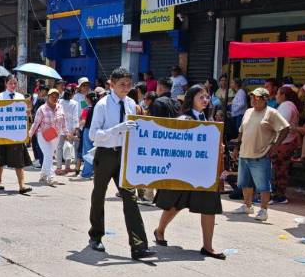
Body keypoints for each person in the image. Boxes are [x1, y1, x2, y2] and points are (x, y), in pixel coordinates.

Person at [88, 67, 153, 261]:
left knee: (130, 198)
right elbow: (93, 135)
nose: (126, 88)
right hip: (106, 154)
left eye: (128, 84)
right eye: (121, 84)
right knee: (99, 195)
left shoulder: (132, 104)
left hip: (124, 155)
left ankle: (139, 245)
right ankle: (96, 235)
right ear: (112, 84)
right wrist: (116, 129)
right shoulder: (102, 104)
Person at [153, 86, 225, 259]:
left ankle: (208, 246)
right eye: (201, 97)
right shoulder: (184, 119)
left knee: (209, 207)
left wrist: (219, 147)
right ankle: (159, 230)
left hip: (205, 173)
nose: (205, 100)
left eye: (207, 97)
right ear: (191, 98)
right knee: (175, 204)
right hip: (184, 172)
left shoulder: (209, 120)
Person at [232, 88, 290, 222]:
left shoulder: (271, 113)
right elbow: (241, 131)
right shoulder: (248, 111)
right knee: (245, 183)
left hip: (261, 155)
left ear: (265, 99)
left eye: (257, 98)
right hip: (245, 153)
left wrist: (275, 147)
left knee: (263, 185)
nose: (253, 100)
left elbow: (285, 128)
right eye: (252, 97)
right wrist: (236, 147)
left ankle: (263, 210)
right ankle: (247, 206)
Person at [0, 75, 33, 195]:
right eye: (11, 83)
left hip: (16, 133)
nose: (13, 86)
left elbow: (26, 117)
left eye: (15, 83)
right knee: (0, 158)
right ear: (6, 83)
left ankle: (22, 185)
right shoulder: (0, 97)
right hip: (2, 133)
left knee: (19, 159)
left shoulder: (20, 97)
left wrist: (28, 112)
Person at [269, 86, 300, 204]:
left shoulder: (286, 106)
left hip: (283, 143)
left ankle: (278, 195)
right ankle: (279, 194)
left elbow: (282, 126)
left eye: (278, 93)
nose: (276, 96)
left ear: (283, 95)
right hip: (287, 142)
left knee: (278, 169)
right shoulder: (290, 105)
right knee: (281, 169)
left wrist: (275, 143)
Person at [30, 88, 66, 186]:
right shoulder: (41, 109)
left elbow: (63, 121)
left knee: (48, 155)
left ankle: (43, 175)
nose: (54, 98)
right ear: (48, 97)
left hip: (55, 134)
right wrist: (29, 135)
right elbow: (35, 123)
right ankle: (51, 177)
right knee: (49, 154)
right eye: (52, 96)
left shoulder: (60, 107)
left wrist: (66, 133)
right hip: (43, 134)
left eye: (56, 96)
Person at [55, 87, 80, 175]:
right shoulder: (74, 103)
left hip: (60, 127)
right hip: (70, 128)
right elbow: (75, 117)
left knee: (59, 148)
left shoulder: (59, 101)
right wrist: (75, 129)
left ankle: (58, 167)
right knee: (69, 147)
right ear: (72, 94)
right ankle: (67, 167)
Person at [79, 91, 98, 179]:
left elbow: (82, 122)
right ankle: (93, 171)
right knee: (95, 152)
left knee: (87, 152)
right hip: (97, 131)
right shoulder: (98, 108)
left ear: (88, 99)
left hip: (87, 131)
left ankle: (86, 173)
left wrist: (78, 127)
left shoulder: (87, 109)